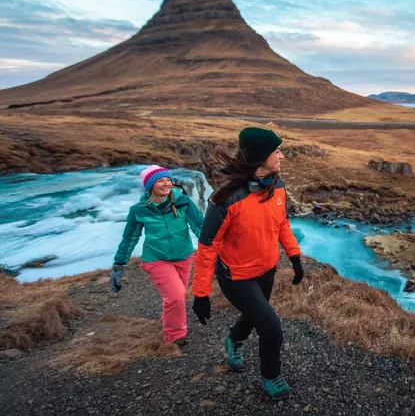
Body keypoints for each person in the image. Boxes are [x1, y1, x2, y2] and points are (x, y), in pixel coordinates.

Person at [191, 126, 304, 401]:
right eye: (277, 151)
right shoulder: (225, 198)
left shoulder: (277, 186)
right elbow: (207, 249)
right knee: (272, 328)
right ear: (260, 156)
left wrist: (295, 256)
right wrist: (201, 294)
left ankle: (233, 341)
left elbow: (282, 224)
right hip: (235, 277)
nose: (282, 156)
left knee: (254, 317)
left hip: (266, 269)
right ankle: (272, 376)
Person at [110, 165, 204, 346]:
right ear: (150, 185)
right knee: (175, 296)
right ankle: (174, 336)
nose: (166, 183)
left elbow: (199, 225)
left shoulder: (182, 201)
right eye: (160, 180)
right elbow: (129, 238)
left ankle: (167, 320)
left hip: (184, 256)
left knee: (178, 295)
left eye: (168, 179)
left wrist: (213, 250)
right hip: (156, 258)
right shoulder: (139, 210)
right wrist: (118, 264)